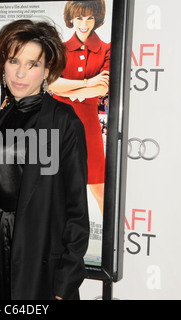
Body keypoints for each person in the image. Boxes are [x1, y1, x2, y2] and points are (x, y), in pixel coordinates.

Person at [0, 19, 90, 300]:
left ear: (47, 70)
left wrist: (64, 282)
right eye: (14, 61)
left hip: (42, 255)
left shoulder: (63, 121)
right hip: (0, 246)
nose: (20, 73)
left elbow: (77, 209)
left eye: (32, 64)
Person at [49, 0, 110, 214]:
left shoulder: (106, 49)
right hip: (58, 124)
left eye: (90, 17)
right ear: (71, 19)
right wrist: (87, 83)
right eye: (79, 18)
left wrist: (67, 91)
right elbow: (52, 84)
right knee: (57, 186)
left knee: (99, 186)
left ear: (97, 18)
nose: (84, 23)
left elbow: (102, 89)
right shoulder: (60, 50)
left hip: (89, 127)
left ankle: (109, 241)